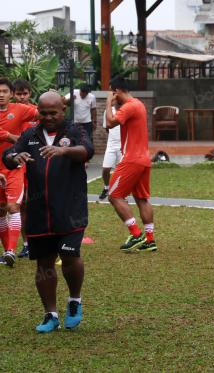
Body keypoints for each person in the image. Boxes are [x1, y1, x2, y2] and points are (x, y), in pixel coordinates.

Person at [3, 91, 93, 333]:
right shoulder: (30, 134)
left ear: (63, 110)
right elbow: (8, 155)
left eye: (53, 113)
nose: (48, 117)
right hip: (39, 211)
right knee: (43, 264)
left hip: (70, 208)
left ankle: (75, 300)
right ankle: (50, 314)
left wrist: (64, 151)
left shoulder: (74, 131)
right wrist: (14, 156)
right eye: (43, 113)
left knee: (69, 254)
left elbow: (87, 151)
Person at [104, 77, 156, 253]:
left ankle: (135, 234)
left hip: (132, 159)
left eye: (112, 92)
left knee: (114, 195)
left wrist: (108, 103)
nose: (112, 95)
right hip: (144, 159)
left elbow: (110, 123)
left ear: (117, 91)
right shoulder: (138, 104)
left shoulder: (129, 106)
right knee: (142, 198)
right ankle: (150, 240)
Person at [0, 78, 37, 267]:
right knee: (1, 211)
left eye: (4, 91)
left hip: (14, 165)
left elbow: (43, 114)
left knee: (14, 206)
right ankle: (8, 250)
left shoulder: (20, 109)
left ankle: (11, 250)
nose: (1, 94)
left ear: (10, 94)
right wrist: (9, 136)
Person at [12, 79, 37, 259]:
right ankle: (27, 245)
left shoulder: (38, 112)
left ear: (30, 94)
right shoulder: (10, 111)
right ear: (14, 94)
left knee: (42, 203)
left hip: (38, 163)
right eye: (19, 94)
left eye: (25, 93)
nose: (22, 97)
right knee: (23, 205)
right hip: (18, 164)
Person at [98, 103, 122, 200]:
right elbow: (106, 128)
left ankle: (120, 192)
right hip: (111, 145)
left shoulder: (125, 110)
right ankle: (106, 187)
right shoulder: (108, 111)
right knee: (105, 169)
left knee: (120, 171)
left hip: (122, 145)